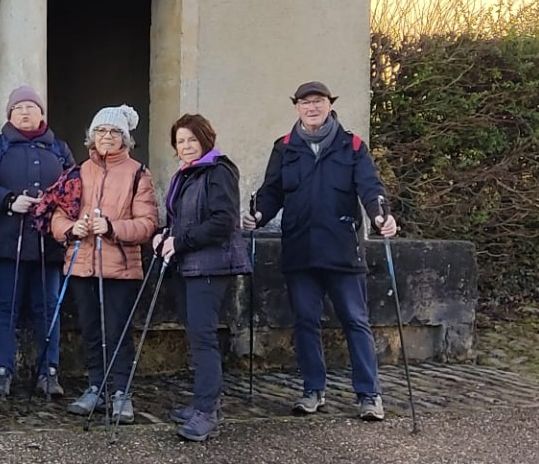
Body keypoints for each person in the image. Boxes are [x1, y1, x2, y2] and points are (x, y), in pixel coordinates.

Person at [244, 81, 397, 421]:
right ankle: (313, 390)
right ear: (296, 107)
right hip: (300, 249)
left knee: (355, 321)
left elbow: (370, 187)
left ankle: (369, 394)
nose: (312, 108)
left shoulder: (352, 146)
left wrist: (380, 216)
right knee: (305, 322)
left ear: (330, 105)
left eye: (318, 101)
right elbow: (271, 193)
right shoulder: (284, 147)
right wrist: (257, 216)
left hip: (343, 249)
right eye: (305, 102)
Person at [53, 106, 160, 423]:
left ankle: (121, 392)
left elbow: (147, 224)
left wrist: (112, 227)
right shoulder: (77, 172)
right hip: (82, 264)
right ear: (92, 135)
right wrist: (72, 228)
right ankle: (96, 387)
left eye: (114, 132)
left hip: (120, 268)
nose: (107, 137)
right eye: (101, 131)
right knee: (90, 331)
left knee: (118, 332)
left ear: (125, 138)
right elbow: (58, 216)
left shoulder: (138, 173)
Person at [0, 85, 74, 398]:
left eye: (31, 107)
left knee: (48, 308)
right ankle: (2, 371)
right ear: (10, 115)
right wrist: (8, 200)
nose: (25, 112)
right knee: (5, 307)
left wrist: (51, 202)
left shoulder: (59, 147)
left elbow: (74, 186)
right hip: (7, 241)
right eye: (18, 108)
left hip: (49, 242)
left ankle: (49, 372)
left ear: (42, 113)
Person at [157, 114, 250, 442]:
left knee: (204, 337)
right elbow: (179, 220)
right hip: (187, 265)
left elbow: (223, 221)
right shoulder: (186, 174)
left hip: (211, 266)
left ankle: (207, 411)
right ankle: (202, 401)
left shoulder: (218, 170)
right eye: (180, 141)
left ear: (205, 140)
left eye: (191, 140)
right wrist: (163, 235)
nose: (185, 146)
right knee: (196, 335)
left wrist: (179, 241)